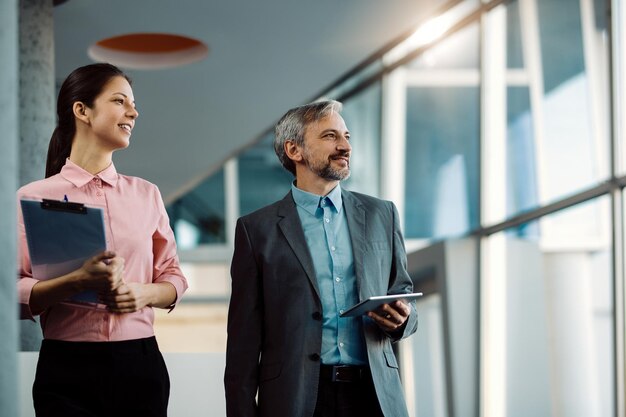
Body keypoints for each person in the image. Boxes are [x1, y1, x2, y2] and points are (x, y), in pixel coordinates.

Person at [224, 100, 418, 417]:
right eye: (330, 136)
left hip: (373, 396)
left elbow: (404, 294)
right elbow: (243, 344)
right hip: (296, 400)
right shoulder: (256, 230)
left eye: (347, 136)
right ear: (294, 150)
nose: (345, 146)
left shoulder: (382, 214)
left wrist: (404, 318)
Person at [17, 63, 188, 417]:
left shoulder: (147, 194)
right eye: (120, 100)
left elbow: (173, 276)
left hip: (140, 363)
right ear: (82, 110)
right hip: (65, 366)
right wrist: (75, 282)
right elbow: (11, 288)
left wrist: (143, 293)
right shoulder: (31, 197)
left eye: (133, 103)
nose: (134, 112)